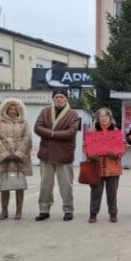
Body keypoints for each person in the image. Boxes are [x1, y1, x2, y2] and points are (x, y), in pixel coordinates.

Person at [33, 89, 80, 222]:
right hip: (46, 154)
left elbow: (71, 133)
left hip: (64, 154)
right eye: (57, 97)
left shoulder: (73, 114)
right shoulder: (45, 111)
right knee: (45, 185)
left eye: (62, 97)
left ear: (66, 99)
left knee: (66, 185)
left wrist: (51, 134)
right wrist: (56, 133)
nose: (59, 99)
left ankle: (68, 209)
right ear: (53, 99)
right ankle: (44, 210)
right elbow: (37, 128)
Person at [0, 98, 33, 220]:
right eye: (10, 109)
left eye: (15, 109)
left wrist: (19, 153)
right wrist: (4, 154)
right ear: (6, 109)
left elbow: (27, 138)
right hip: (5, 158)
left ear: (19, 110)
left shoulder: (24, 122)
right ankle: (4, 210)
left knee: (19, 184)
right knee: (5, 185)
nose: (13, 111)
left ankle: (18, 211)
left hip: (19, 159)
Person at [85, 108, 125, 223]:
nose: (103, 118)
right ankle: (93, 213)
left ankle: (113, 213)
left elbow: (122, 149)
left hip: (113, 167)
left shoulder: (116, 131)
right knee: (95, 192)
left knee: (112, 193)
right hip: (96, 166)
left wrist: (114, 154)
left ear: (110, 118)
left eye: (106, 116)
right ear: (98, 118)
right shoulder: (92, 131)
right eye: (101, 116)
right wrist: (91, 155)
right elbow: (85, 146)